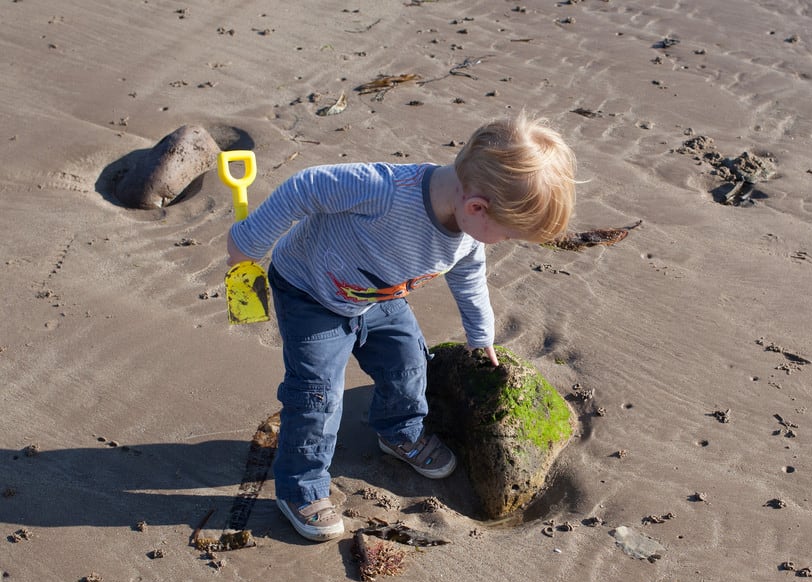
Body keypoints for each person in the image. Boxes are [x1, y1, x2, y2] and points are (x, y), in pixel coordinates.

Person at [226, 113, 577, 542]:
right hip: (310, 292)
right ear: (476, 207)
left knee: (410, 363)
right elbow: (307, 187)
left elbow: (469, 276)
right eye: (506, 235)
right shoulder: (385, 190)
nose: (500, 243)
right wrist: (250, 241)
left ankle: (400, 431)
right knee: (317, 394)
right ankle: (301, 486)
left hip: (379, 298)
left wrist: (480, 332)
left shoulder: (469, 230)